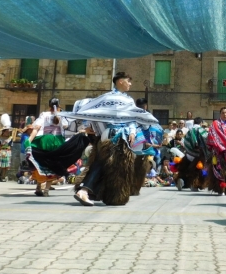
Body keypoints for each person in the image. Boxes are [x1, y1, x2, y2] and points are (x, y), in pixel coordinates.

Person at [64, 72, 158, 206]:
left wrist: (131, 131)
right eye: (128, 81)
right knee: (104, 163)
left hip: (114, 135)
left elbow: (128, 117)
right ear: (120, 81)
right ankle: (85, 191)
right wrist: (87, 125)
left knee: (107, 164)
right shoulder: (112, 99)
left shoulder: (118, 99)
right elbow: (93, 111)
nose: (130, 84)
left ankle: (96, 192)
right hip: (116, 135)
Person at [27, 98, 92, 197]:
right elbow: (68, 127)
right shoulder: (62, 116)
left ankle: (39, 187)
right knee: (55, 164)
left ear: (49, 106)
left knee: (42, 162)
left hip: (44, 141)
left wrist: (29, 141)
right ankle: (46, 190)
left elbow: (37, 128)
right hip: (57, 142)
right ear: (59, 106)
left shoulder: (44, 115)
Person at [176, 117, 208, 191]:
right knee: (197, 170)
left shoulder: (189, 131)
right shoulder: (201, 130)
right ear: (201, 123)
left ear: (194, 123)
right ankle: (195, 185)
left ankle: (182, 180)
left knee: (185, 169)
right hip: (198, 155)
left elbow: (185, 142)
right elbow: (206, 140)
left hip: (188, 154)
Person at [0, 115, 13, 182]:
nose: (7, 133)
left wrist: (4, 146)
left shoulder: (10, 139)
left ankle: (3, 176)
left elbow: (10, 146)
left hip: (7, 152)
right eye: (6, 131)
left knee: (5, 166)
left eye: (8, 132)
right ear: (3, 132)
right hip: (0, 152)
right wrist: (2, 145)